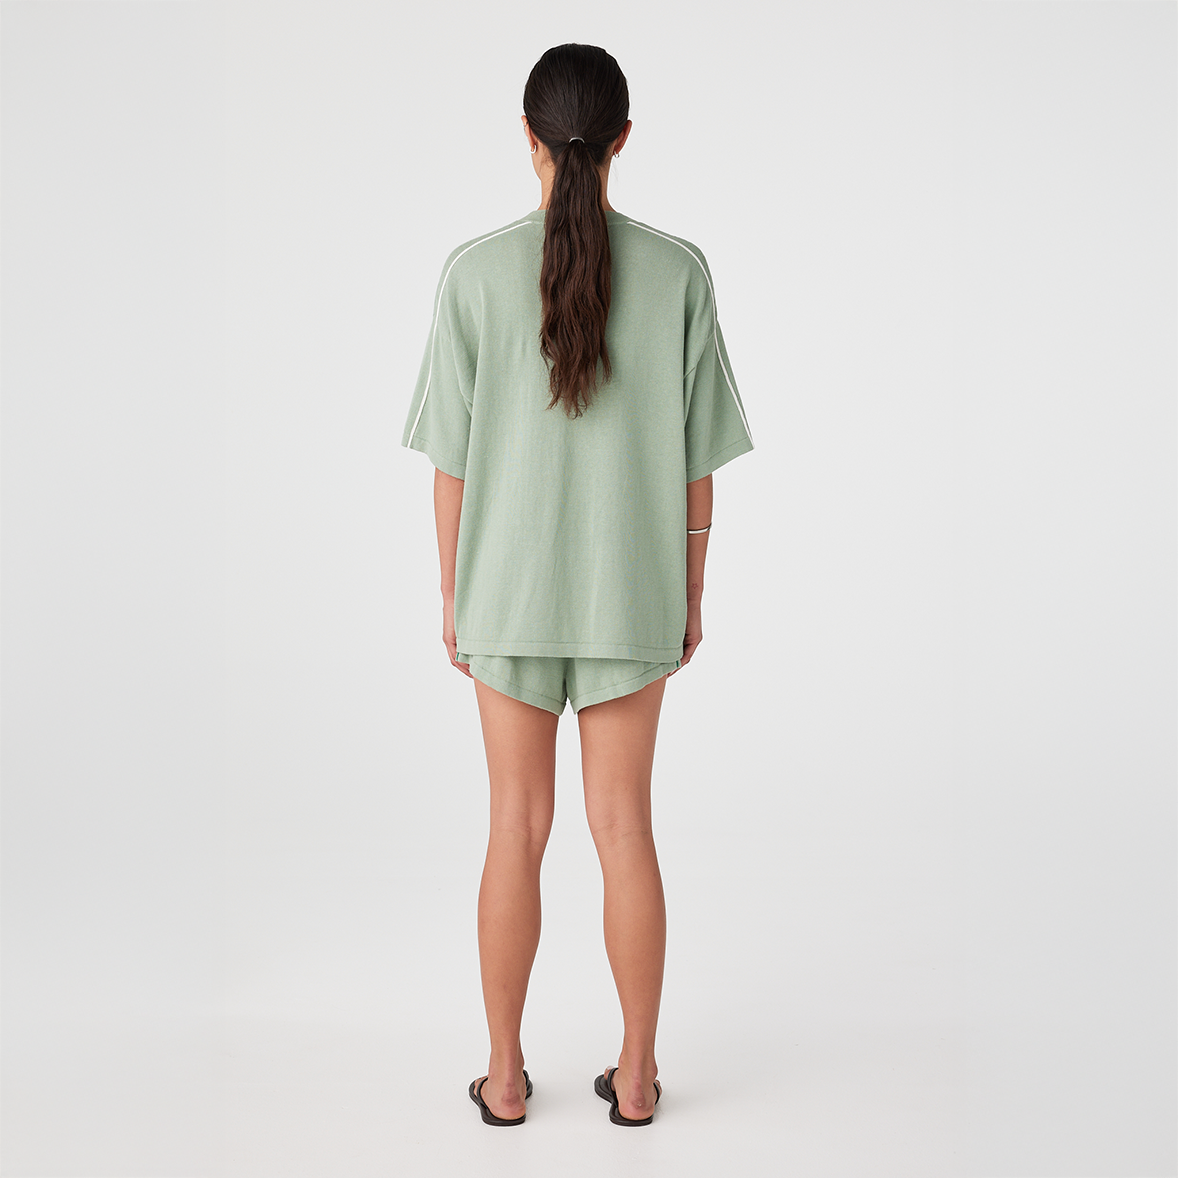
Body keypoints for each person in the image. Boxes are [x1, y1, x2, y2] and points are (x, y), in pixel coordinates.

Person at [401, 43, 753, 1127]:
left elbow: (450, 465)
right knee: (623, 829)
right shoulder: (680, 272)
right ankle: (637, 1078)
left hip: (503, 594)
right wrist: (689, 590)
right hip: (629, 592)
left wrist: (454, 595)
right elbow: (696, 466)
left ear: (528, 138)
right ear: (622, 140)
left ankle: (505, 1078)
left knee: (514, 827)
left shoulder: (471, 273)